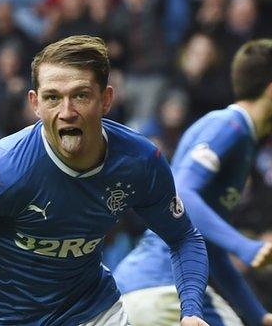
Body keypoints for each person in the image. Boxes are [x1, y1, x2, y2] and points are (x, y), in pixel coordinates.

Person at [0, 35, 210, 326]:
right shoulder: (2, 171)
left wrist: (192, 311)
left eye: (81, 95)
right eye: (52, 97)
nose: (67, 112)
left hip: (92, 312)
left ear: (106, 99)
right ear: (34, 104)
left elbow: (184, 237)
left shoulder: (139, 162)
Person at [114, 40, 272, 326]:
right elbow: (182, 195)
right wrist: (245, 246)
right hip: (165, 290)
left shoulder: (240, 137)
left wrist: (258, 315)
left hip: (140, 291)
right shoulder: (230, 126)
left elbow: (208, 247)